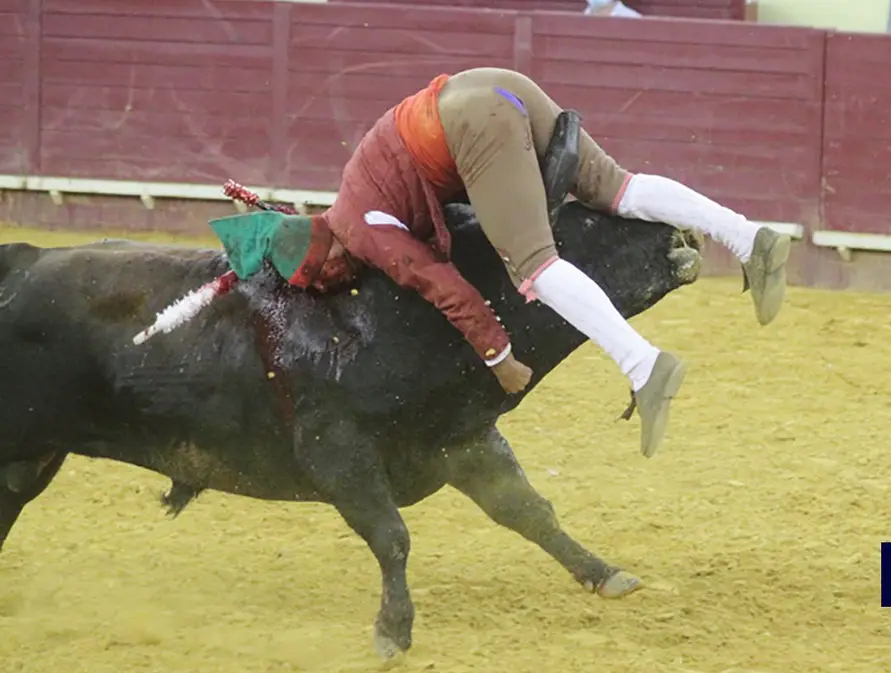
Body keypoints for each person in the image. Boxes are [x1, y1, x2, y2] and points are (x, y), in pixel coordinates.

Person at [205, 67, 791, 460]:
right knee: (616, 188)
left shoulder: (362, 232)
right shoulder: (351, 202)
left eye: (323, 276)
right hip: (495, 86)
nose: (335, 283)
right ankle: (750, 238)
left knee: (533, 265)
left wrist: (498, 355)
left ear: (324, 251)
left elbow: (445, 286)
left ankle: (644, 366)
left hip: (470, 123)